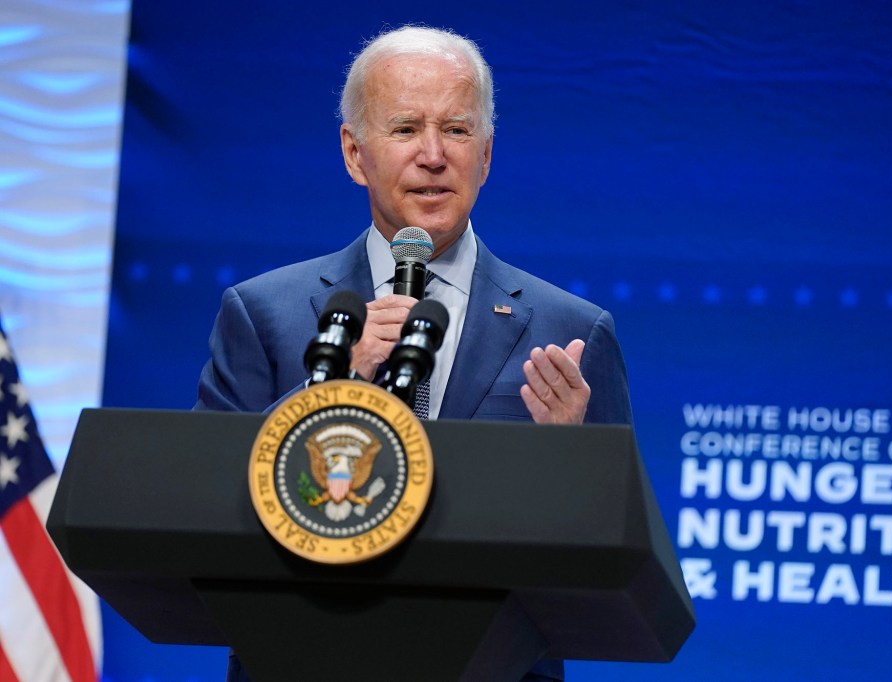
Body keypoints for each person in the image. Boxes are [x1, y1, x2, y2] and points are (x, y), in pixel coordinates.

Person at [195, 24, 633, 681]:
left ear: (486, 155)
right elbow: (197, 502)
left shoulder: (569, 332)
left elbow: (614, 563)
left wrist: (570, 464)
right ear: (354, 152)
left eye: (456, 130)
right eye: (404, 129)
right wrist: (325, 393)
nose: (433, 154)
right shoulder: (263, 314)